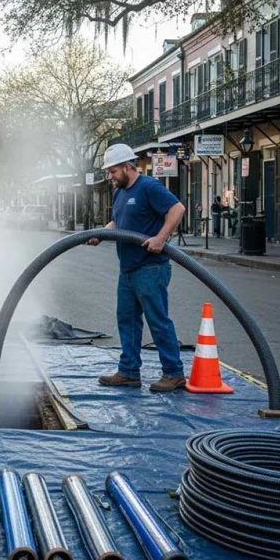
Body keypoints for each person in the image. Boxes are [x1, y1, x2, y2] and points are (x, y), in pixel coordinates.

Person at [87, 143, 187, 392]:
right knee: (127, 320)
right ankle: (129, 371)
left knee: (158, 321)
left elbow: (177, 209)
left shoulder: (149, 187)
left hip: (150, 268)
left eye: (113, 171)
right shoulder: (119, 192)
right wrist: (101, 234)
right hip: (128, 269)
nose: (110, 176)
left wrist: (160, 238)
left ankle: (174, 373)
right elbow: (117, 222)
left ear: (127, 167)